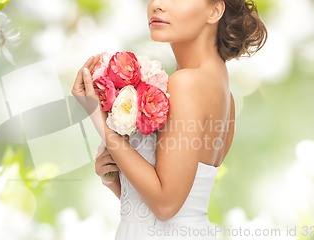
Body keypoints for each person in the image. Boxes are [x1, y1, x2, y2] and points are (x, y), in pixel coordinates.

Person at [71, 0, 267, 239]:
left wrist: (98, 117)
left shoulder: (186, 84)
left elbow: (165, 205)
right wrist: (115, 179)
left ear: (215, 10)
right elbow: (175, 204)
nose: (157, 5)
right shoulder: (223, 92)